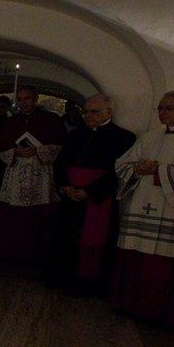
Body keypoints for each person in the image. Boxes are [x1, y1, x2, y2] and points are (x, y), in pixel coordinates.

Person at [111, 90, 174, 327]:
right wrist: (138, 169)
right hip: (143, 206)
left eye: (168, 108)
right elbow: (122, 163)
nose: (162, 113)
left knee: (169, 267)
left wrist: (160, 171)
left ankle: (165, 314)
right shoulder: (150, 137)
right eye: (160, 108)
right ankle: (130, 304)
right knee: (137, 258)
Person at [48, 94, 135, 295]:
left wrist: (88, 192)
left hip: (97, 199)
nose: (88, 115)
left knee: (94, 241)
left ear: (109, 113)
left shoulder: (124, 137)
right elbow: (60, 163)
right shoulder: (76, 134)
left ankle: (88, 283)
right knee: (65, 237)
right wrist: (64, 186)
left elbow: (119, 172)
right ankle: (62, 278)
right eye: (86, 111)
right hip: (70, 196)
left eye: (94, 112)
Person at [0, 86, 66, 266]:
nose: (24, 102)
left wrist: (39, 150)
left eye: (27, 99)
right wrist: (14, 152)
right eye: (20, 99)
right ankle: (12, 255)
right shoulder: (11, 122)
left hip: (41, 175)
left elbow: (62, 146)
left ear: (36, 98)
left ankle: (38, 255)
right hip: (16, 173)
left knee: (39, 217)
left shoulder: (51, 120)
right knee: (14, 218)